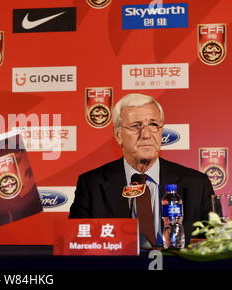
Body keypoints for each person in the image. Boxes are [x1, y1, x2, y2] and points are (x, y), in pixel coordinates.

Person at [69, 93, 214, 247]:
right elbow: (77, 245)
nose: (146, 134)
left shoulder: (197, 184)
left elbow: (215, 245)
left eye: (153, 125)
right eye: (135, 126)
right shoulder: (92, 184)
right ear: (118, 135)